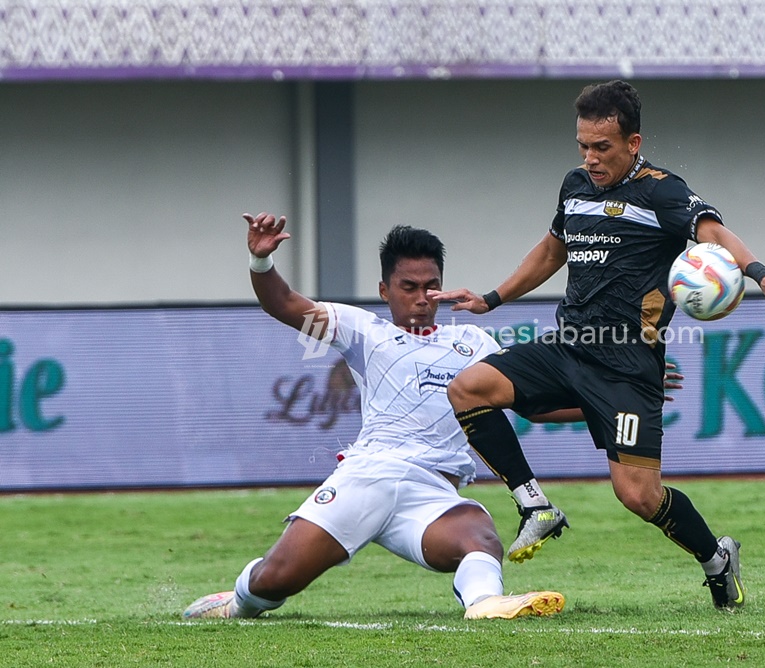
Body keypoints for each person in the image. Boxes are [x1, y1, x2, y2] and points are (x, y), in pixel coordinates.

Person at [429, 80, 765, 611]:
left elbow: (713, 233)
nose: (590, 158)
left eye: (602, 147)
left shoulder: (662, 191)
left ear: (633, 143)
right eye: (583, 146)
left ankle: (715, 558)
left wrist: (761, 274)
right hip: (570, 346)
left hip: (628, 367)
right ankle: (535, 504)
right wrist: (493, 298)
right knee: (468, 389)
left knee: (638, 495)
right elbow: (551, 250)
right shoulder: (575, 186)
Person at [183, 215, 565, 621]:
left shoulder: (475, 342)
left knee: (480, 536)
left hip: (432, 491)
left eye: (431, 286)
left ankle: (486, 603)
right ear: (385, 290)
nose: (423, 297)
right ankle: (237, 602)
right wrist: (261, 262)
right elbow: (285, 304)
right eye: (409, 287)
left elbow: (531, 404)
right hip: (368, 478)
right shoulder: (362, 330)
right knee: (274, 580)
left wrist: (607, 409)